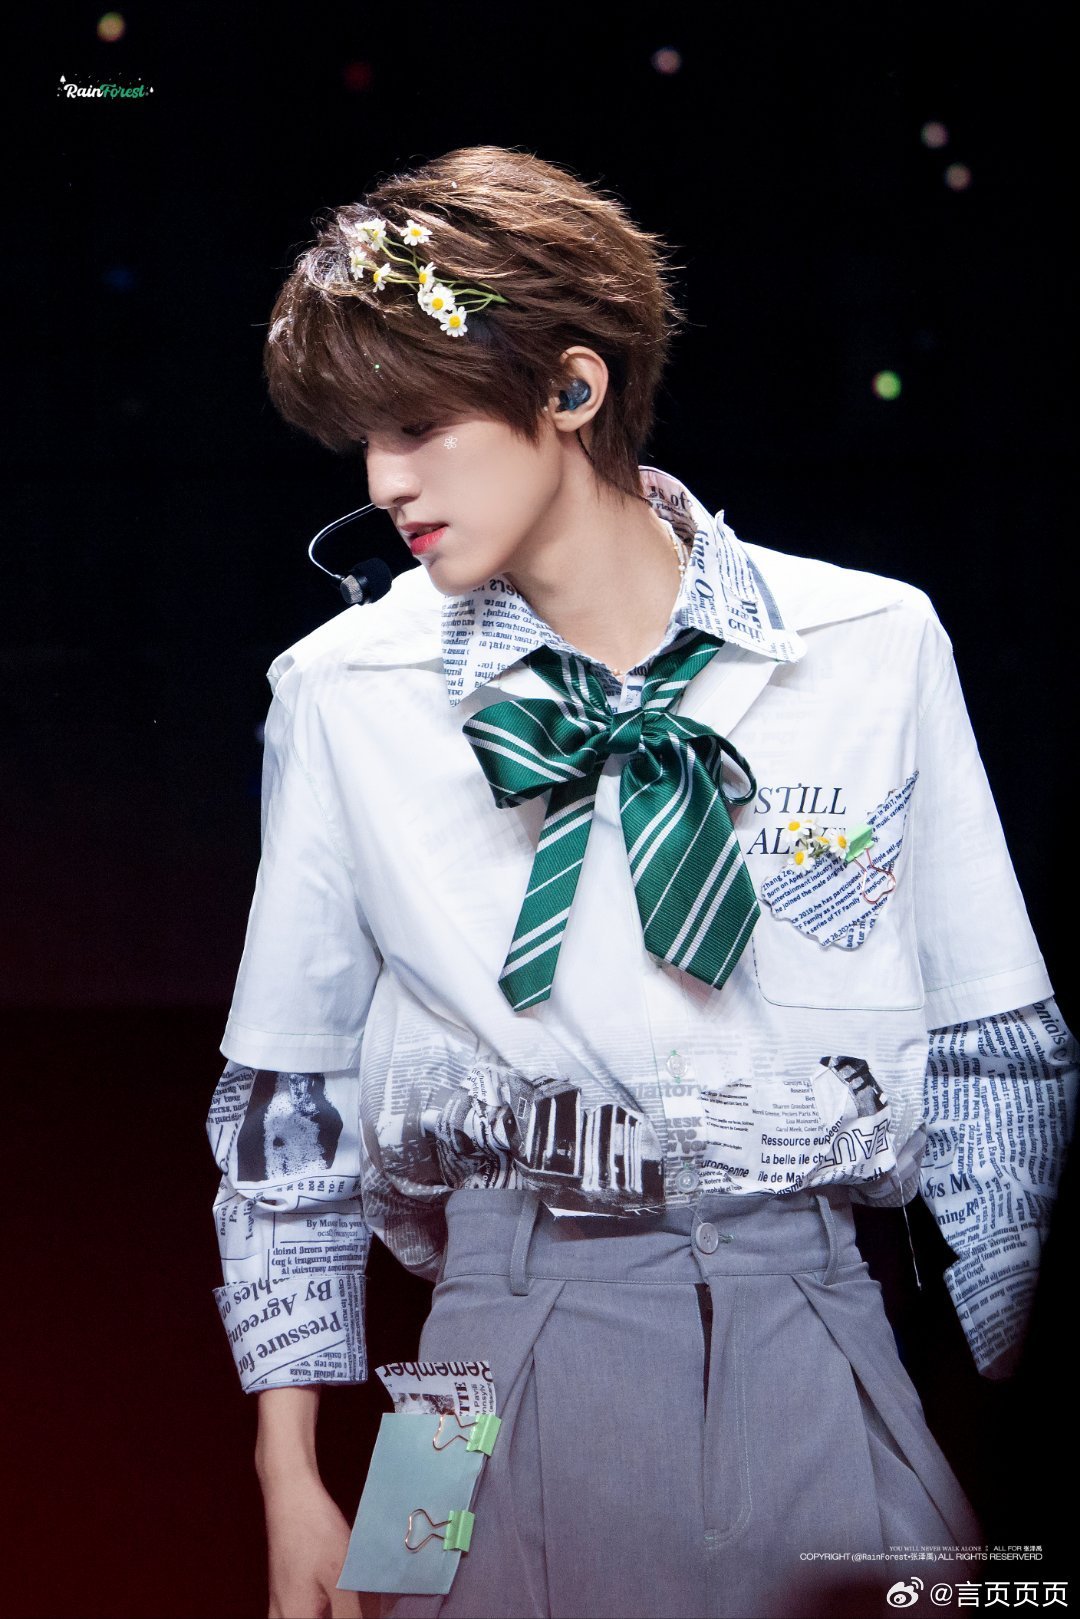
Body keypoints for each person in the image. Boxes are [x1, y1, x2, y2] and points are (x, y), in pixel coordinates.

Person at [205, 145, 1077, 1619]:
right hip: (467, 1356)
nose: (384, 481)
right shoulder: (343, 687)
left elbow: (999, 1058)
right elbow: (293, 1102)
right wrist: (289, 1477)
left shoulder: (871, 644)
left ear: (571, 388)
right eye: (361, 439)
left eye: (418, 424)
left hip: (821, 1323)